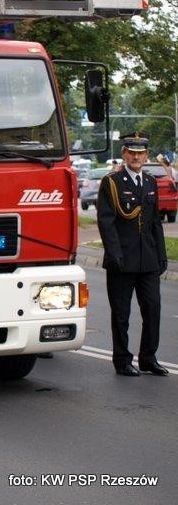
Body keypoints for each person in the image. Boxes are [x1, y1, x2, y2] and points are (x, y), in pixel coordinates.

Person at [96, 131, 169, 377]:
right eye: (132, 153)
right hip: (122, 260)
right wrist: (114, 254)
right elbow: (106, 222)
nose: (136, 157)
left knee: (153, 309)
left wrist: (161, 254)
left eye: (141, 153)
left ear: (147, 155)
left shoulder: (149, 183)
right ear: (124, 154)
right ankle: (123, 360)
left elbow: (155, 223)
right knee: (121, 314)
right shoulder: (112, 183)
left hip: (147, 259)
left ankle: (148, 358)